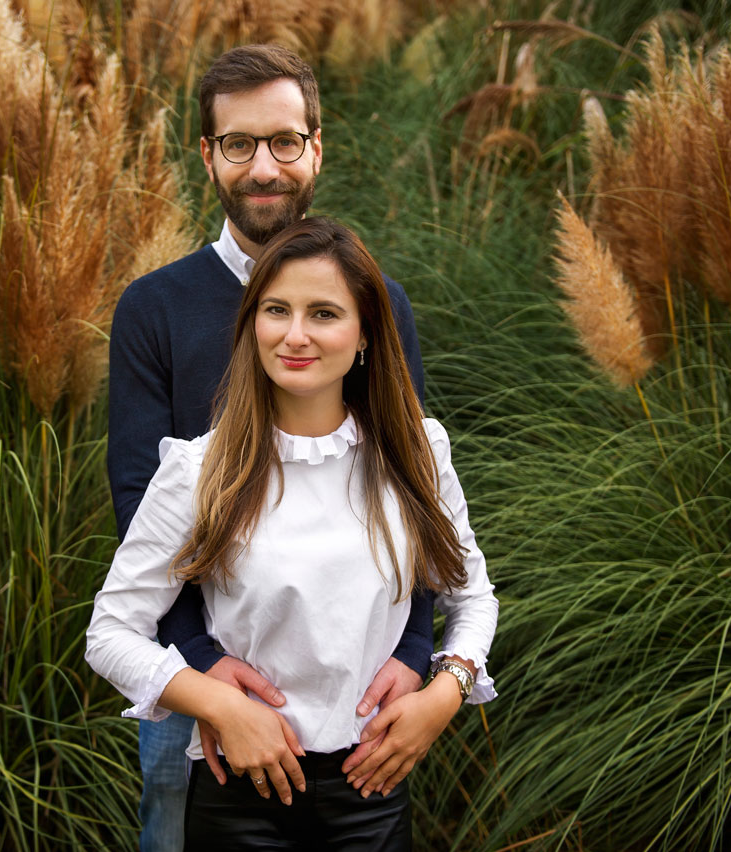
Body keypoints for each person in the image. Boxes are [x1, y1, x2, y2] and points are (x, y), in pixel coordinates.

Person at [107, 44, 435, 851]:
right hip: (199, 678)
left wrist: (422, 652)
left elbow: (415, 491)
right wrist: (204, 669)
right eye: (240, 144)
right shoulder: (155, 307)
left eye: (285, 141)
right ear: (208, 155)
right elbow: (139, 498)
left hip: (356, 685)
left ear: (316, 148)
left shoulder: (377, 304)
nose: (265, 167)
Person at [88, 217, 498, 850]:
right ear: (251, 324)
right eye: (276, 309)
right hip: (239, 796)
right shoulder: (200, 471)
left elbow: (471, 597)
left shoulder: (417, 452)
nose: (295, 335)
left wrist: (445, 695)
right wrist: (218, 706)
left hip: (373, 792)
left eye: (324, 313)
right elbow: (111, 632)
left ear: (365, 333)